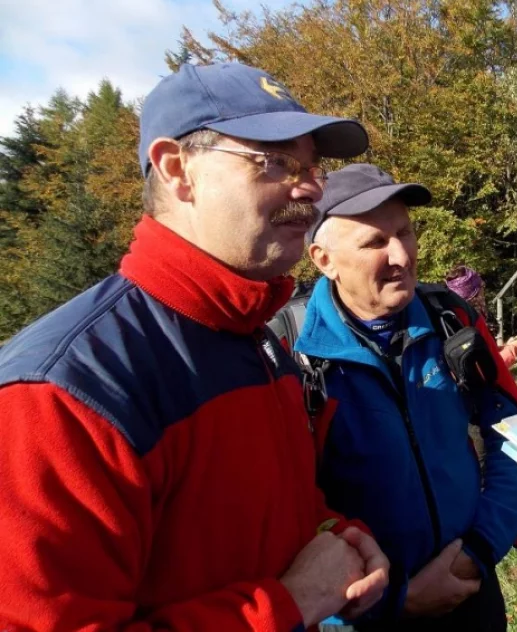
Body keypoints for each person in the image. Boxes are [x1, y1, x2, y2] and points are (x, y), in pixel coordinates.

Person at [0, 62, 389, 630]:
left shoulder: (258, 338)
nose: (309, 187)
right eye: (274, 161)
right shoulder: (60, 393)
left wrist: (336, 535)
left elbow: (264, 520)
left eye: (312, 166)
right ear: (177, 169)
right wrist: (292, 603)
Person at [294, 164, 517, 630]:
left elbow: (515, 435)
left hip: (469, 590)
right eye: (374, 242)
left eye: (405, 232)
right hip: (361, 615)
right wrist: (392, 599)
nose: (401, 255)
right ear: (324, 260)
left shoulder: (453, 317)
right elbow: (286, 513)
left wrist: (478, 551)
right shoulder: (291, 351)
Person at [445, 265, 517, 367]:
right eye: (481, 287)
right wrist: (513, 349)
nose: (483, 291)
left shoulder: (464, 316)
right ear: (474, 294)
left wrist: (506, 346)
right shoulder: (465, 324)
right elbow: (485, 369)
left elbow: (487, 353)